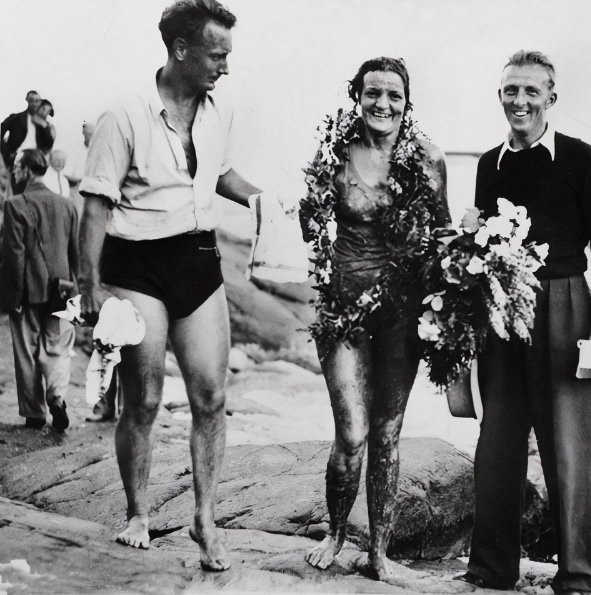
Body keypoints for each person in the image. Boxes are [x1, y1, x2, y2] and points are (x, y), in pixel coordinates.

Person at [77, 0, 286, 571]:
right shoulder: (124, 115)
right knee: (142, 399)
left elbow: (217, 173)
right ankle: (138, 514)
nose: (225, 66)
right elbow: (94, 205)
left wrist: (264, 199)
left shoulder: (220, 111)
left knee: (211, 398)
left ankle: (205, 519)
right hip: (136, 266)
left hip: (197, 260)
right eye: (217, 55)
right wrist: (90, 288)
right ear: (181, 50)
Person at [458, 50, 591, 593]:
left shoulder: (579, 157)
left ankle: (578, 576)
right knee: (499, 437)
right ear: (499, 96)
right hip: (503, 311)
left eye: (531, 91)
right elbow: (480, 243)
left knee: (572, 444)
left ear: (552, 97)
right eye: (510, 91)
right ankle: (492, 568)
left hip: (567, 305)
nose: (520, 101)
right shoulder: (489, 164)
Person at [300, 57, 450, 582]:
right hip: (343, 306)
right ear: (356, 96)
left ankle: (379, 552)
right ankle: (338, 534)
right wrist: (306, 208)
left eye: (394, 96)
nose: (382, 105)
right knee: (353, 432)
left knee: (388, 433)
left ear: (407, 103)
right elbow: (308, 224)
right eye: (373, 94)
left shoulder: (428, 158)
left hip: (403, 313)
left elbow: (443, 234)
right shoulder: (335, 153)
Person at [0, 148, 78, 431]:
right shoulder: (66, 204)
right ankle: (57, 398)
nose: (15, 171)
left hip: (28, 289)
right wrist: (75, 289)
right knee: (56, 347)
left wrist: (12, 297)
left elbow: (14, 256)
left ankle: (34, 412)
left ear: (25, 170)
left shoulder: (15, 205)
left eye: (17, 166)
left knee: (26, 350)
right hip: (62, 290)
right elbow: (75, 253)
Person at [2, 91, 42, 195]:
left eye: (37, 101)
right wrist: (7, 153)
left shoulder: (43, 122)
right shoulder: (15, 118)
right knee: (18, 193)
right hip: (19, 159)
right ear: (27, 101)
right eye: (31, 100)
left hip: (37, 161)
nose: (34, 103)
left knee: (34, 192)